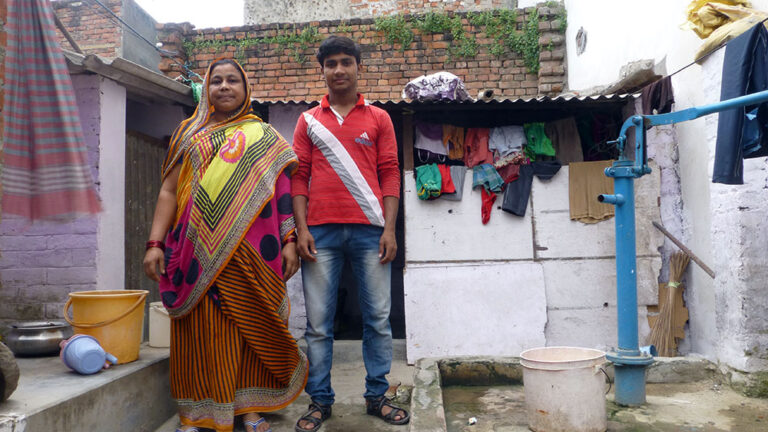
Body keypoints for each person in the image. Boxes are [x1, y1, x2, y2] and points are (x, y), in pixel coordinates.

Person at [143, 58, 307, 432]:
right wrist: (155, 242)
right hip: (193, 249)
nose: (224, 87)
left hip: (250, 250)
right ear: (207, 89)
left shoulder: (263, 136)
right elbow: (169, 190)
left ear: (246, 88)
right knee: (197, 331)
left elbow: (281, 192)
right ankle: (196, 413)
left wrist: (289, 239)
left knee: (248, 327)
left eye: (233, 80)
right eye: (216, 81)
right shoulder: (188, 133)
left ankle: (248, 408)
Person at [291, 36, 409, 432]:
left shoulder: (379, 118)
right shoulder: (308, 120)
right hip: (319, 234)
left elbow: (390, 172)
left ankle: (377, 396)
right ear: (322, 70)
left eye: (346, 62)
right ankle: (320, 402)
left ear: (359, 67)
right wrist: (301, 229)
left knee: (377, 319)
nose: (338, 70)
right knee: (319, 326)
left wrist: (390, 229)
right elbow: (300, 177)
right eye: (331, 64)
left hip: (371, 232)